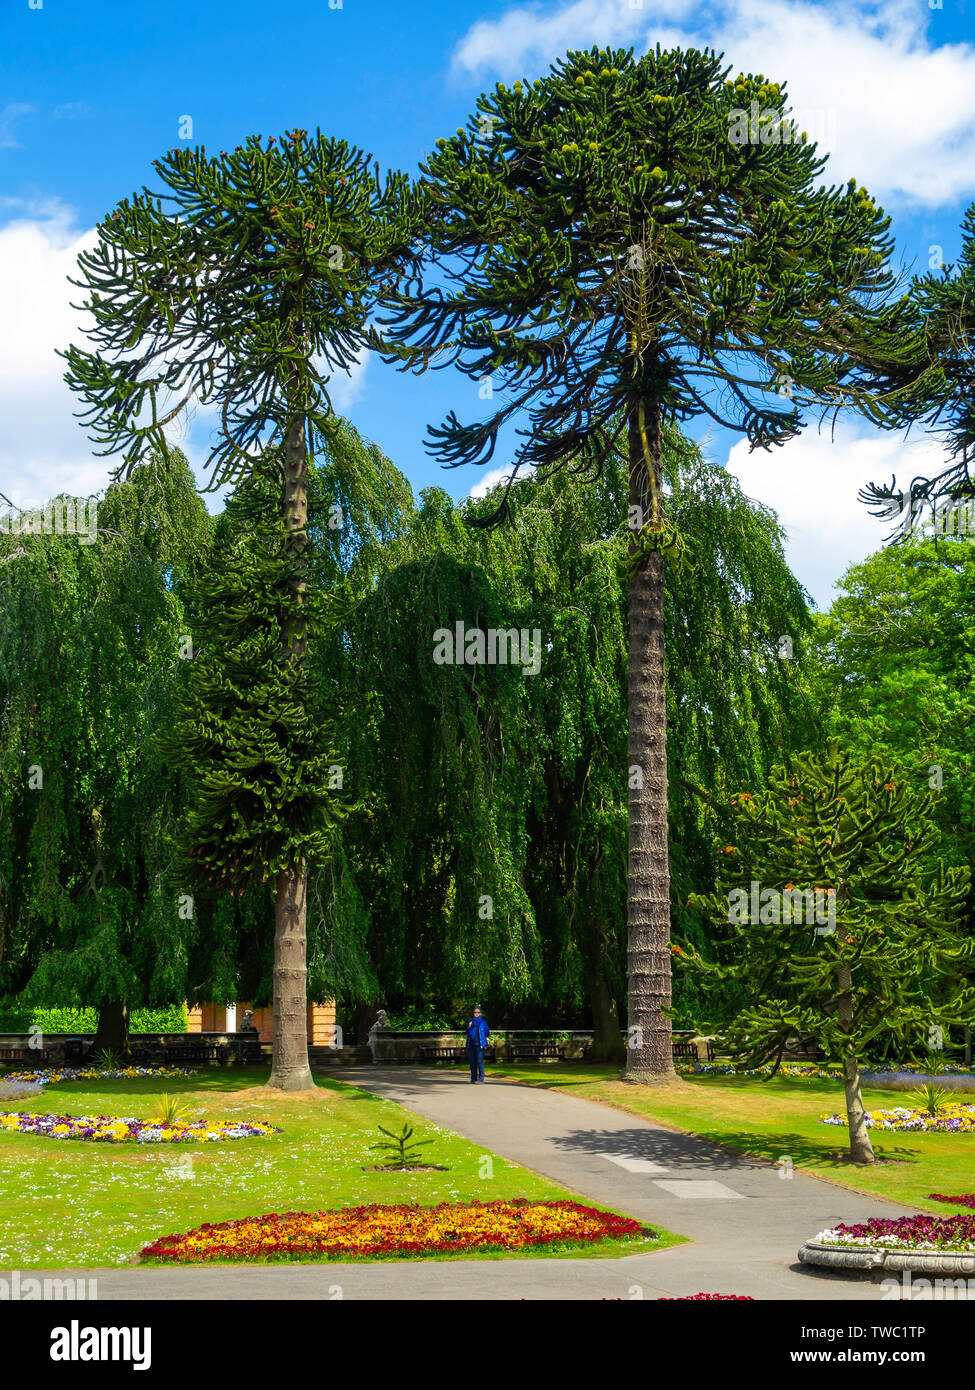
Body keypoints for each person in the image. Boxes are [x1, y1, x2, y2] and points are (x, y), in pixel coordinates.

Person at [465, 1004, 490, 1084]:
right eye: (475, 1012)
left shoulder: (483, 1022)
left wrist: (485, 1038)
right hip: (471, 1044)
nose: (476, 1013)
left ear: (480, 1013)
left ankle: (481, 1079)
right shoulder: (470, 1021)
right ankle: (473, 1078)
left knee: (479, 1061)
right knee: (472, 1062)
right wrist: (469, 1027)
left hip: (480, 1044)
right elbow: (467, 1032)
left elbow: (487, 1032)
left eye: (478, 1012)